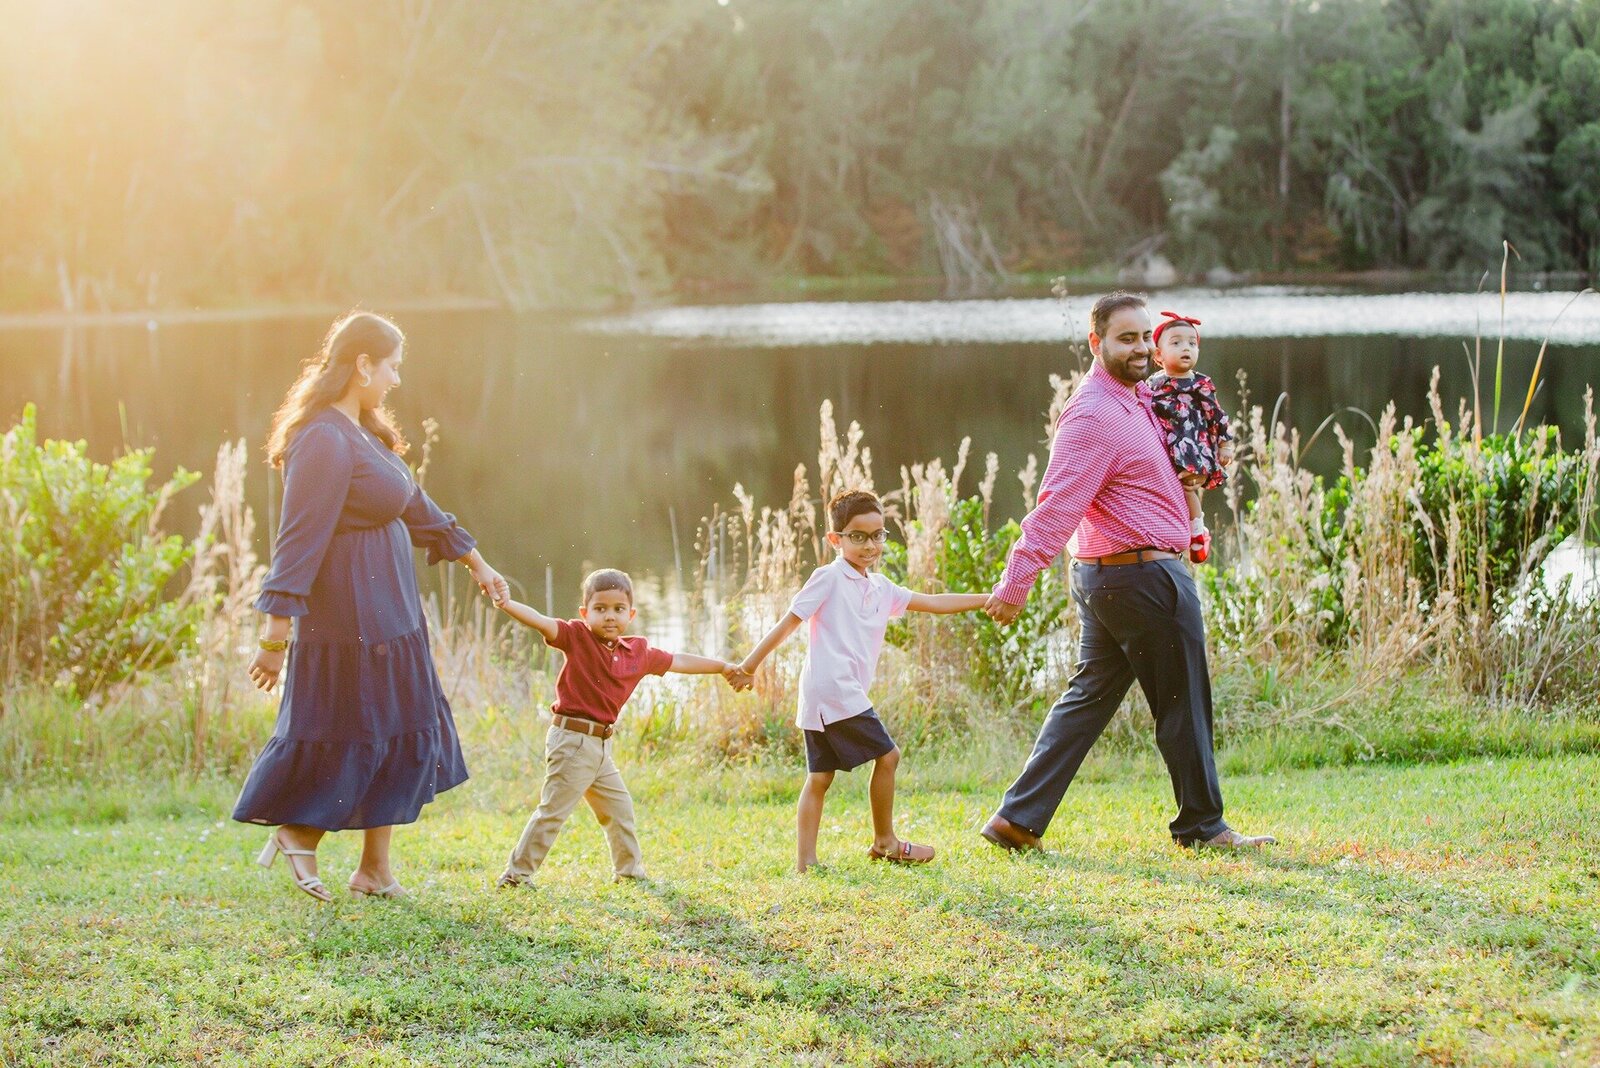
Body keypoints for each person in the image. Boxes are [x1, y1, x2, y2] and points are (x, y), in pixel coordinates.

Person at [979, 292, 1275, 853]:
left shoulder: (1141, 398)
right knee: (1184, 701)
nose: (1140, 348)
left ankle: (1016, 820)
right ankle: (1203, 827)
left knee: (1088, 699)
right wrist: (1016, 582)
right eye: (1126, 339)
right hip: (1140, 578)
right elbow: (1056, 507)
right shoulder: (1093, 414)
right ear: (1096, 343)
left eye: (1145, 336)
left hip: (1118, 576)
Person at [236, 311, 510, 902]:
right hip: (351, 617)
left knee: (396, 727)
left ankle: (374, 871)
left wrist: (478, 563)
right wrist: (275, 634)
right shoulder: (323, 438)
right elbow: (297, 540)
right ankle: (298, 830)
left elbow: (416, 506)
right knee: (356, 728)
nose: (396, 380)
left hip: (390, 612)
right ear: (363, 364)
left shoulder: (360, 431)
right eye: (391, 367)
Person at [735, 490, 990, 873]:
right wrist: (750, 664)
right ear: (835, 539)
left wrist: (989, 598)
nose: (870, 545)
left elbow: (935, 602)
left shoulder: (881, 588)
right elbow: (789, 622)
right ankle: (885, 842)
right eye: (858, 536)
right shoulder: (828, 577)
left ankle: (806, 863)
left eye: (877, 535)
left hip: (824, 695)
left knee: (820, 777)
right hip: (834, 689)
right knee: (888, 756)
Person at [495, 568, 747, 888]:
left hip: (601, 746)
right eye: (600, 609)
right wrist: (507, 604)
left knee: (619, 808)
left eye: (618, 609)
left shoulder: (637, 653)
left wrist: (722, 667)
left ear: (631, 614)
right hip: (572, 741)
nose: (610, 616)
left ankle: (628, 872)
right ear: (585, 613)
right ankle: (516, 875)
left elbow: (679, 661)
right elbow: (541, 621)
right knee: (553, 811)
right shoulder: (576, 637)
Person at [1147, 311, 1234, 563]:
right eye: (1176, 343)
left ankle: (1197, 531)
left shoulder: (1200, 385)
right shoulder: (1154, 384)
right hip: (1164, 448)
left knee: (1187, 487)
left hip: (1192, 447)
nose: (1186, 348)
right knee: (1163, 488)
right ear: (1158, 355)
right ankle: (1167, 530)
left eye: (1192, 343)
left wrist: (1225, 444)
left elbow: (1217, 415)